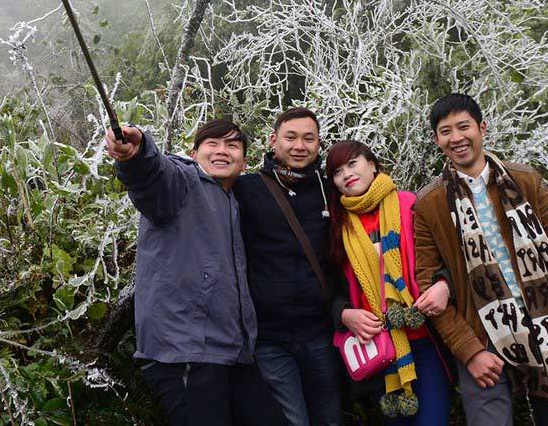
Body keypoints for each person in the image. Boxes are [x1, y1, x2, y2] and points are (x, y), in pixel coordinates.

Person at [413, 94, 548, 426]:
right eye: (445, 131)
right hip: (482, 335)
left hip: (547, 322)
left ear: (482, 128)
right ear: (436, 140)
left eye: (463, 126)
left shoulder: (525, 181)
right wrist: (469, 351)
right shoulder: (429, 204)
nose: (456, 138)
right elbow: (428, 289)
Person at [105, 120, 282, 426]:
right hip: (185, 354)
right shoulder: (182, 181)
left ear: (245, 161)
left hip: (231, 353)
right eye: (212, 144)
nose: (222, 152)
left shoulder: (231, 199)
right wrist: (137, 152)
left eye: (233, 146)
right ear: (193, 153)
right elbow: (153, 175)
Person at [325, 140, 453, 425]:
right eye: (337, 172)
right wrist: (345, 313)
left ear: (372, 164)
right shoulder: (337, 226)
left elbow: (448, 256)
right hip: (377, 344)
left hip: (425, 338)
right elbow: (329, 287)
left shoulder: (411, 205)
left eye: (352, 163)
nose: (346, 174)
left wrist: (443, 285)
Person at [233, 107, 343, 426]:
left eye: (309, 138)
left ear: (319, 144)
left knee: (330, 418)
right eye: (290, 137)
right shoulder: (247, 188)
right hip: (269, 336)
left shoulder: (329, 190)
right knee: (293, 421)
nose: (299, 146)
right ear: (273, 141)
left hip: (319, 331)